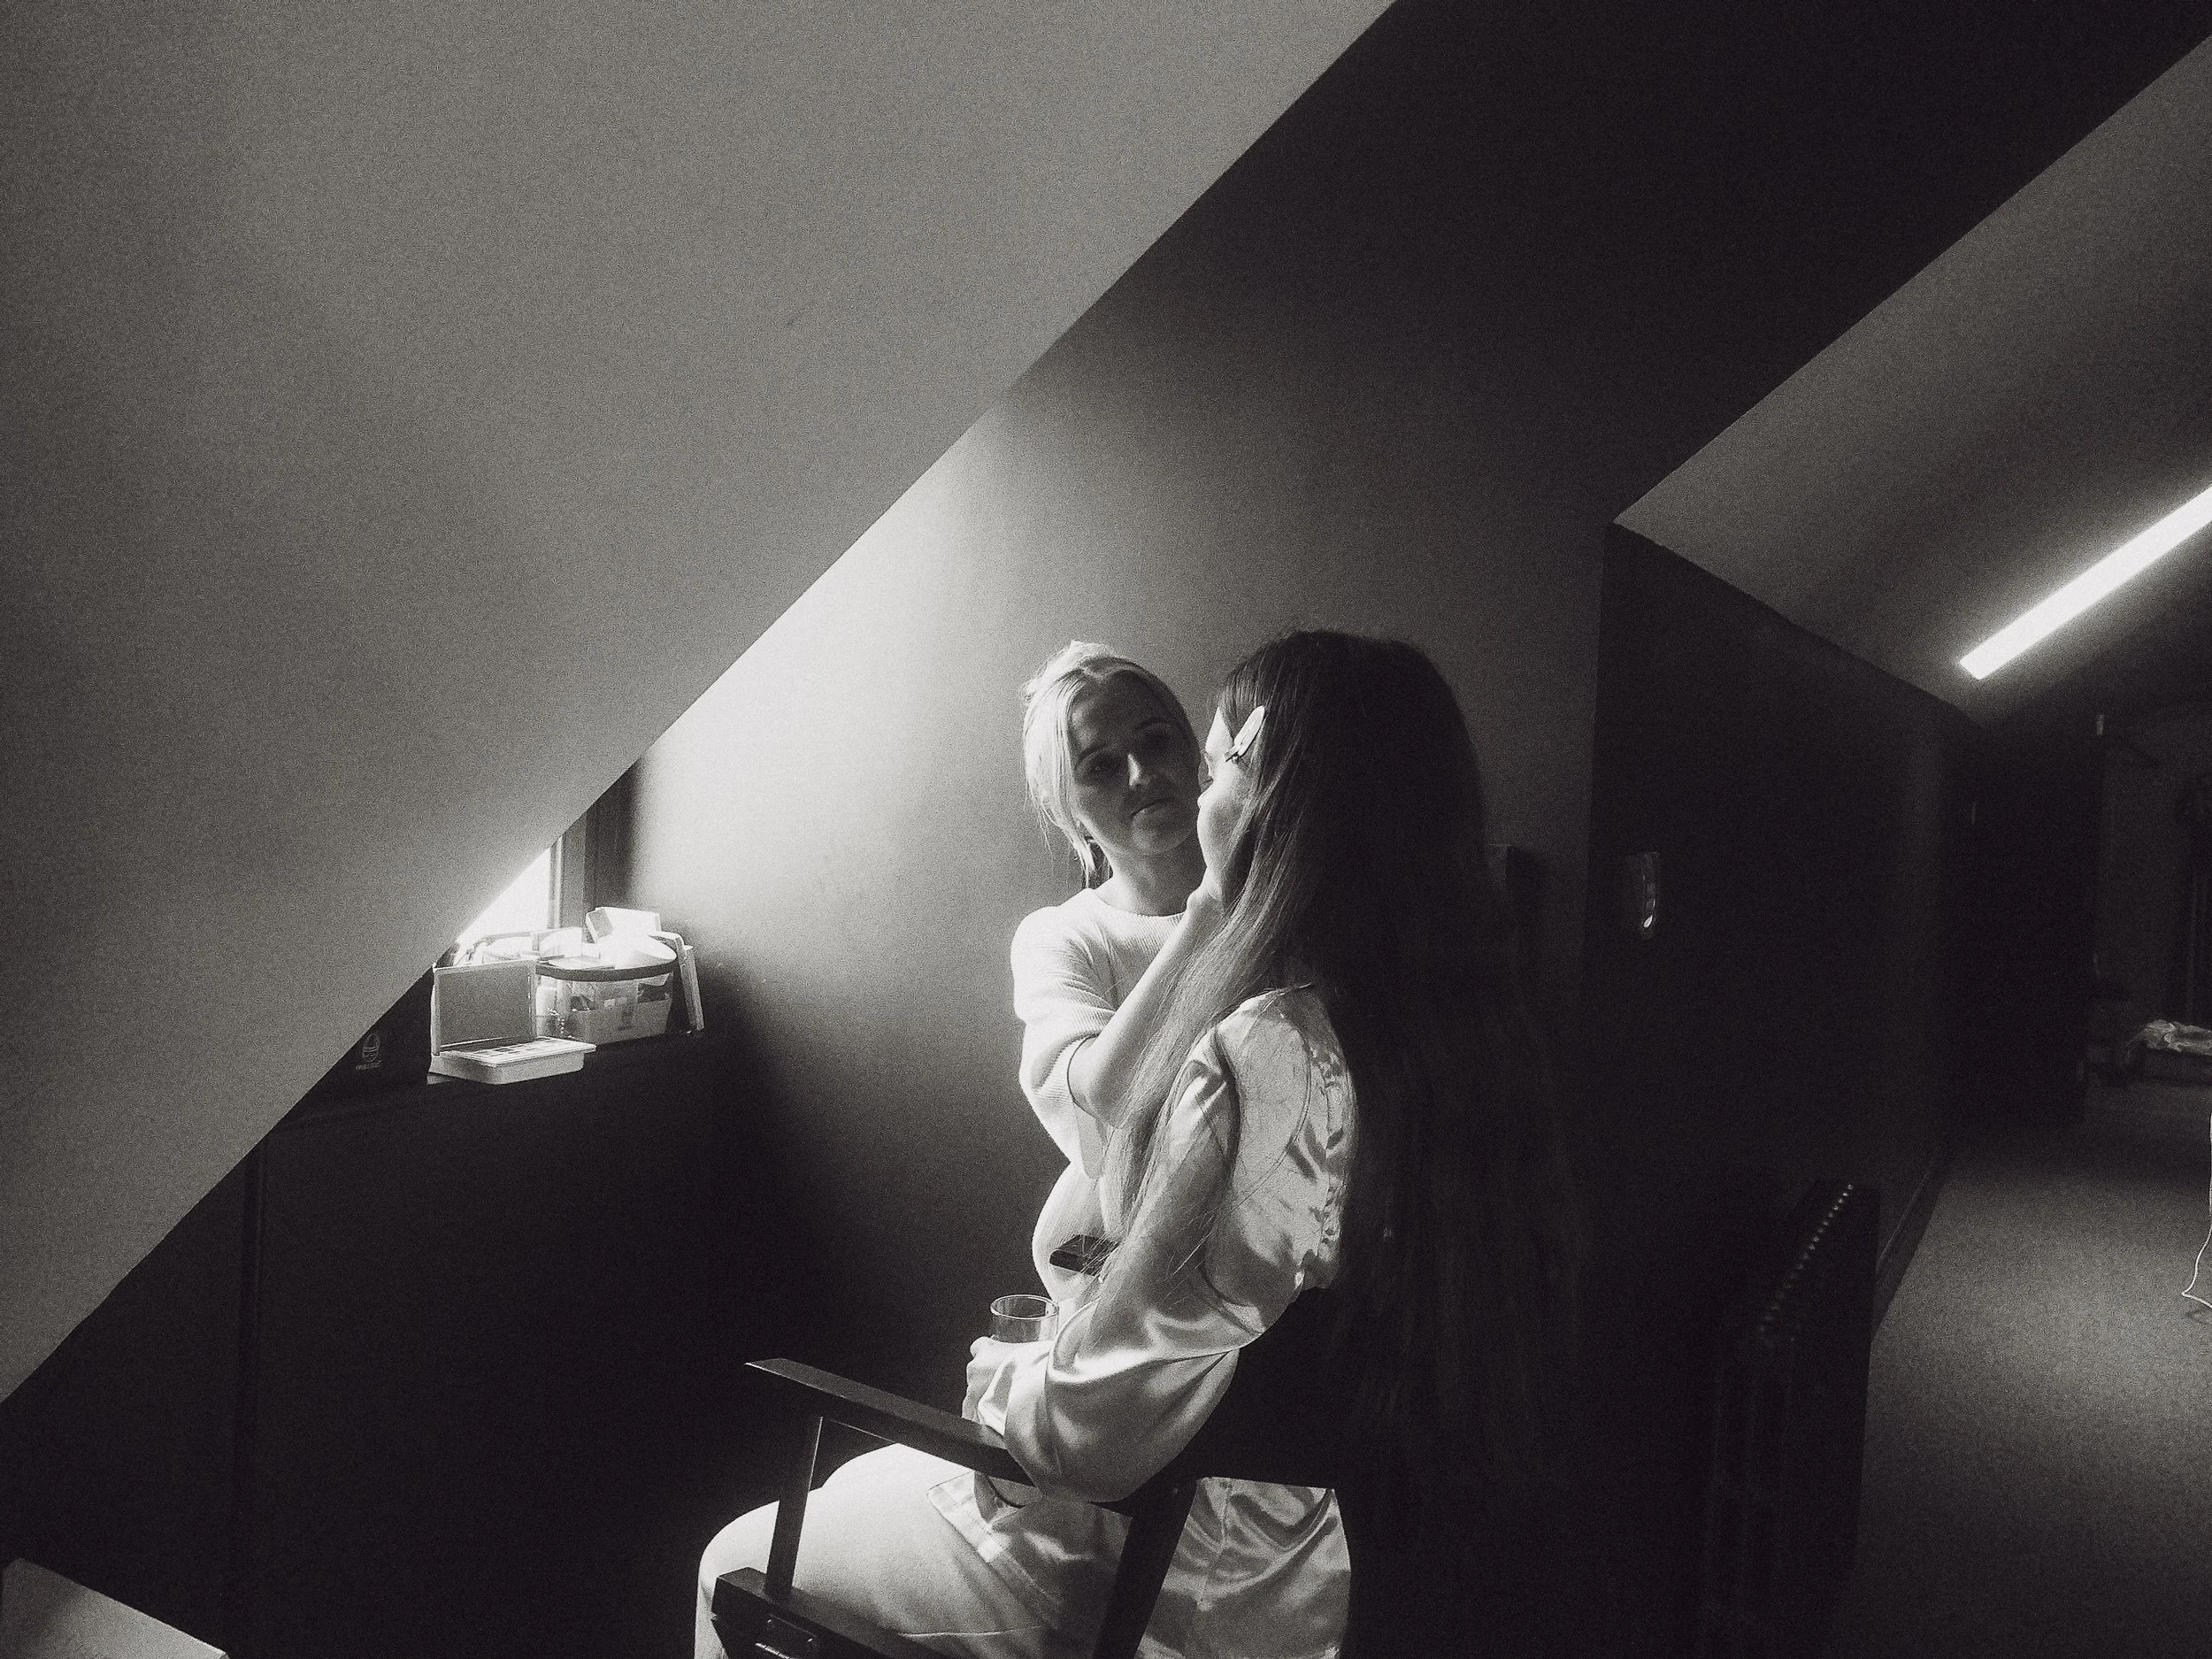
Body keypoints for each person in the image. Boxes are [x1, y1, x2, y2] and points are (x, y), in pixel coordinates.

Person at [695, 631, 1584, 1658]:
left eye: (1207, 760)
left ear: (1271, 800)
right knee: (869, 1488)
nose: (1178, 789)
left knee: (734, 1557)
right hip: (1315, 1548)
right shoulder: (1455, 1033)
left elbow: (1090, 1440)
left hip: (1173, 1563)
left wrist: (1005, 1379)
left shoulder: (1273, 1054)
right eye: (1100, 766)